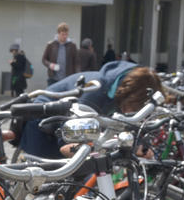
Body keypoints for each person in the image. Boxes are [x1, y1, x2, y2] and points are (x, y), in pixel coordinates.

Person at [19, 60, 163, 159]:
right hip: (43, 124)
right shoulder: (96, 90)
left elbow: (127, 124)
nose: (130, 111)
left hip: (66, 123)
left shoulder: (119, 89)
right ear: (129, 93)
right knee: (44, 182)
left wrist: (140, 145)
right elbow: (69, 139)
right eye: (134, 106)